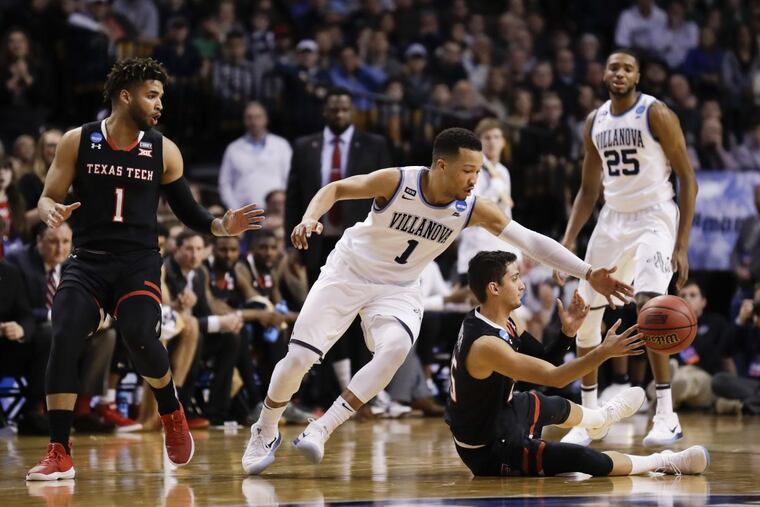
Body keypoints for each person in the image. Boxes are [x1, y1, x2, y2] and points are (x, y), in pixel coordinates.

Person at [242, 127, 632, 475]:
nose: (474, 179)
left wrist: (587, 271)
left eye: (478, 171)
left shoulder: (471, 207)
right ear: (441, 166)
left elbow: (529, 239)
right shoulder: (398, 181)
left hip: (399, 287)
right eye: (468, 171)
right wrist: (311, 217)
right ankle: (266, 427)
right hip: (349, 270)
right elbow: (337, 189)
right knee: (298, 360)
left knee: (394, 348)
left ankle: (323, 427)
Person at [26, 57, 264, 481]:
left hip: (137, 263)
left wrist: (220, 226)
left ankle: (172, 414)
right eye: (152, 95)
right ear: (125, 95)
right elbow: (47, 197)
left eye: (161, 97)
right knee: (62, 334)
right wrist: (50, 212)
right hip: (88, 260)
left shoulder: (163, 149)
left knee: (138, 332)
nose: (159, 105)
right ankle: (60, 451)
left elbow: (188, 210)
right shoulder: (76, 141)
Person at [446, 250, 709, 478]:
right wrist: (604, 352)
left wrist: (567, 333)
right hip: (489, 448)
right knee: (582, 459)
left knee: (547, 403)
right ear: (494, 289)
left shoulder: (496, 319)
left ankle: (600, 419)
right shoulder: (486, 345)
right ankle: (664, 462)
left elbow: (546, 360)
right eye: (514, 279)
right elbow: (556, 377)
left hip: (499, 413)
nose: (522, 285)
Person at [555, 49, 698, 447]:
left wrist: (682, 243)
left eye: (628, 68)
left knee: (652, 306)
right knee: (585, 311)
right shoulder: (594, 121)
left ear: (638, 76)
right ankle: (591, 418)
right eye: (614, 67)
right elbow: (587, 191)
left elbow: (688, 178)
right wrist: (567, 242)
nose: (620, 73)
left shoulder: (656, 113)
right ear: (604, 75)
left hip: (655, 216)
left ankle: (666, 415)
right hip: (612, 219)